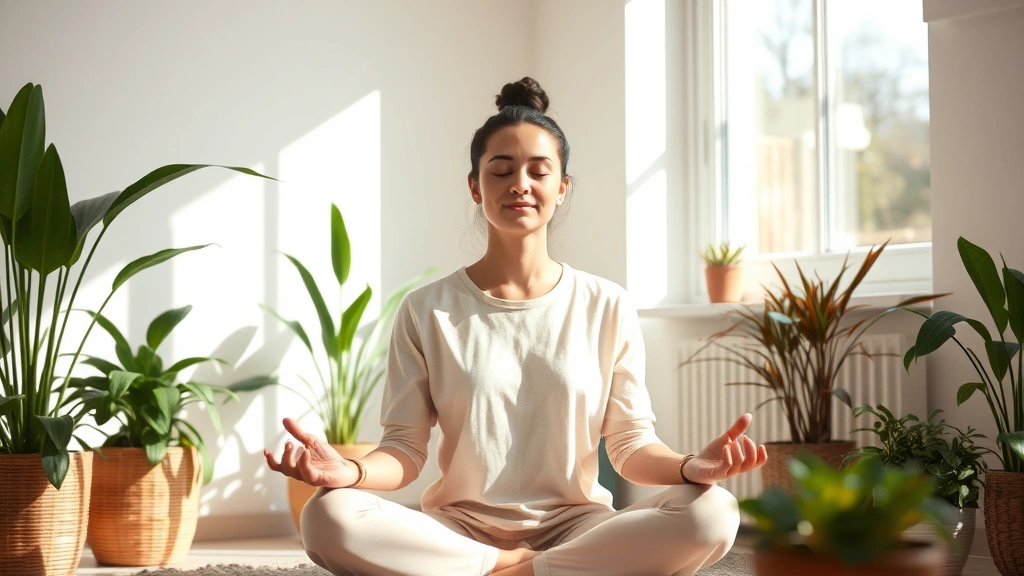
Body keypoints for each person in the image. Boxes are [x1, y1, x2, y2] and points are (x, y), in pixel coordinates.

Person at [264, 77, 768, 576]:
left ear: (562, 187)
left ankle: (510, 571)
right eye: (500, 170)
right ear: (475, 186)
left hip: (580, 527)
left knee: (712, 512)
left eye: (538, 171)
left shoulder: (606, 304)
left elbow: (631, 446)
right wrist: (350, 472)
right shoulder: (427, 309)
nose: (519, 184)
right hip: (456, 531)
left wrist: (687, 467)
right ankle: (525, 567)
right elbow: (404, 450)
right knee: (329, 515)